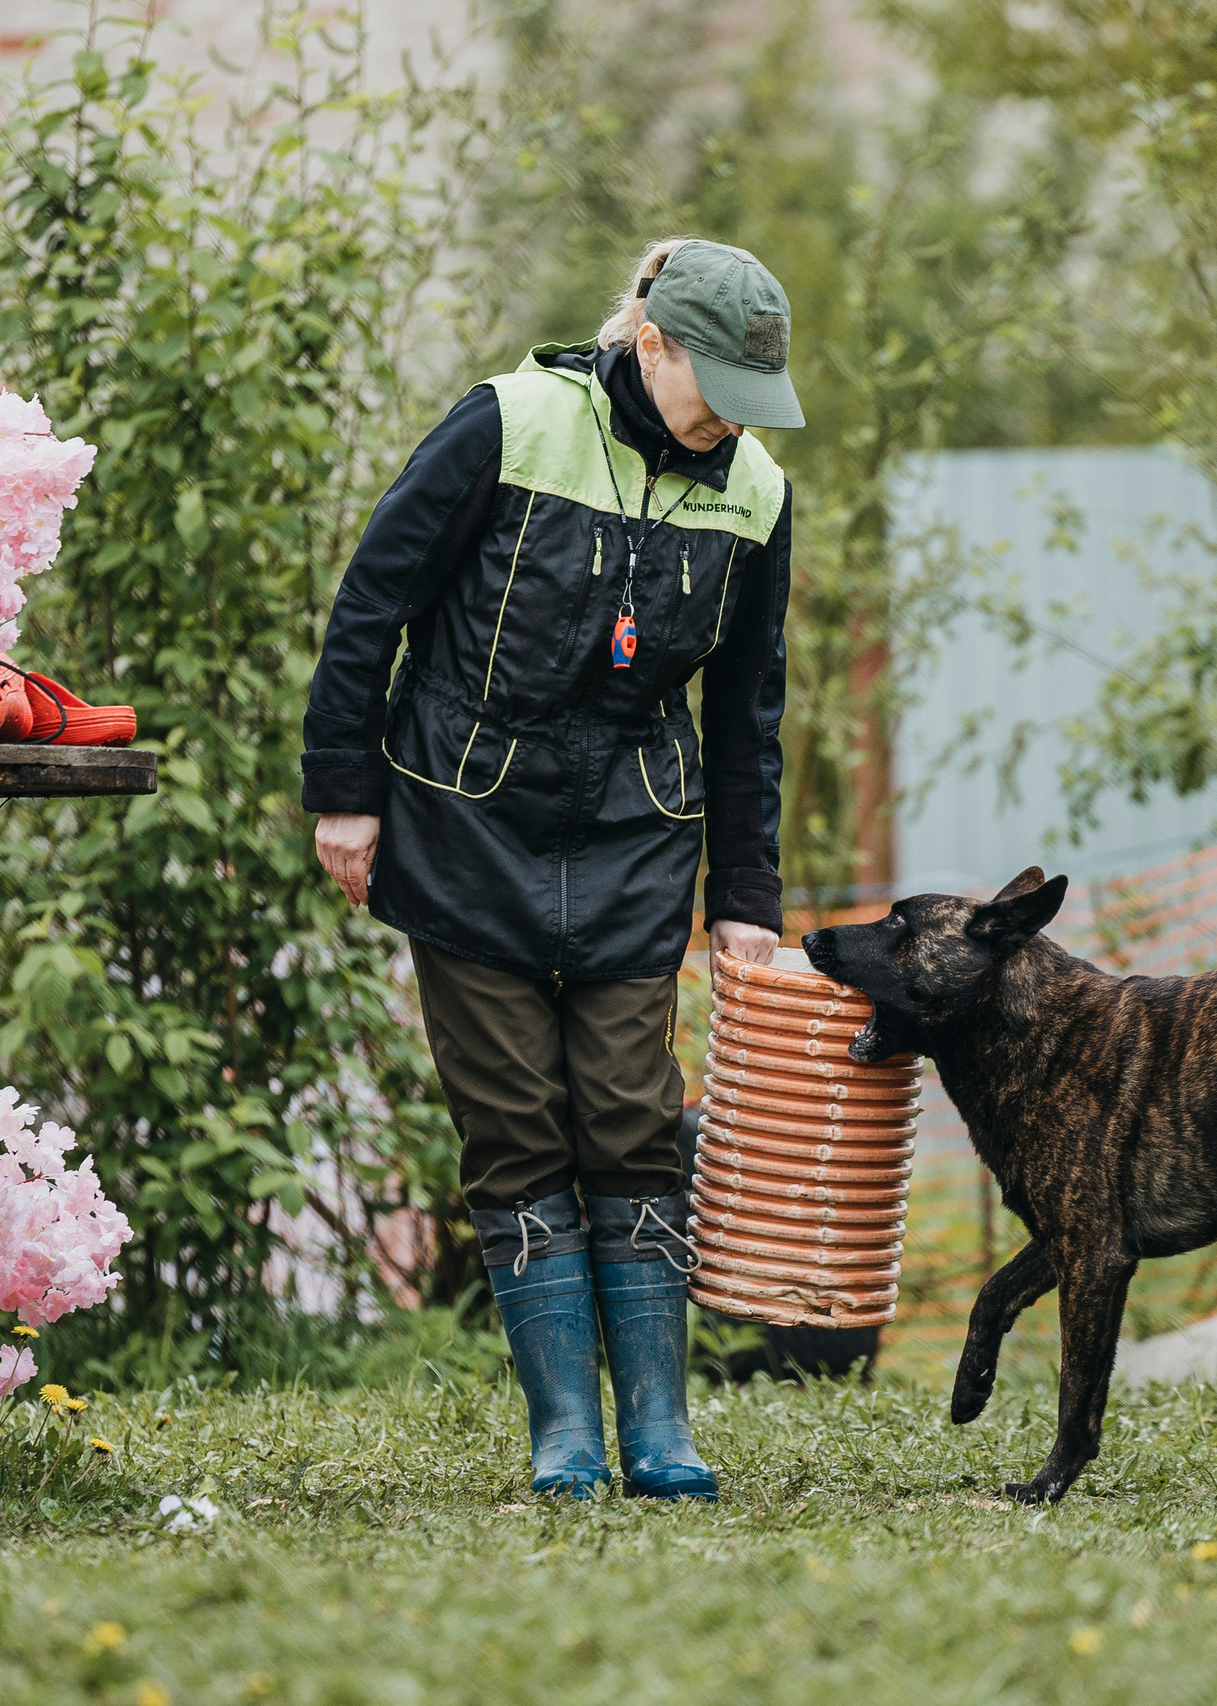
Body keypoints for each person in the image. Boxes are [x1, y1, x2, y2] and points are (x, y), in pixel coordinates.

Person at [302, 239, 801, 1499]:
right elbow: (374, 604)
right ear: (655, 344)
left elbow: (747, 710)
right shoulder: (509, 423)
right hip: (467, 821)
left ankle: (662, 1430)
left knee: (633, 1118)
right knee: (518, 1122)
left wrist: (745, 898)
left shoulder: (756, 492)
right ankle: (566, 1436)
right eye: (718, 388)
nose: (733, 423)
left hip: (637, 838)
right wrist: (344, 793)